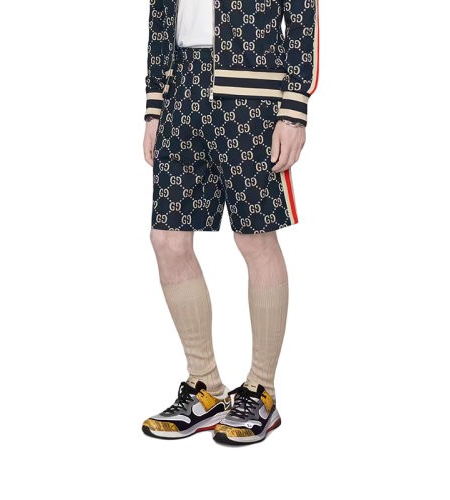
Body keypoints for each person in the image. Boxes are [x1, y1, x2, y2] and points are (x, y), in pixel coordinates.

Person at [141, 0, 319, 445]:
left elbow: (302, 13)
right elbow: (161, 12)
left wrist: (294, 108)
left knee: (255, 239)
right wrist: (154, 106)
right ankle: (205, 387)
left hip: (253, 94)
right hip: (182, 92)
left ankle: (261, 390)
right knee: (167, 239)